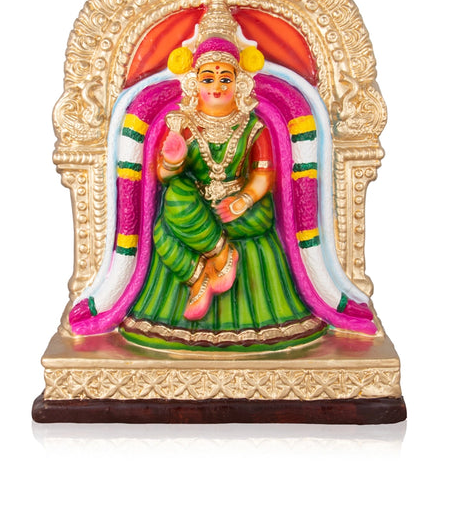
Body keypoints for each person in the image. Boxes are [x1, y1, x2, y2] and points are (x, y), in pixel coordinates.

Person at [69, 21, 377, 350]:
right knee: (170, 209)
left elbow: (263, 176)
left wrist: (244, 199)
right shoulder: (184, 125)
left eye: (225, 79)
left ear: (239, 84)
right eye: (208, 79)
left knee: (221, 222)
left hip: (239, 209)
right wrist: (172, 160)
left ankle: (206, 272)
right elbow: (165, 177)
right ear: (194, 84)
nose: (216, 88)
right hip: (195, 207)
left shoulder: (253, 127)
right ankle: (216, 260)